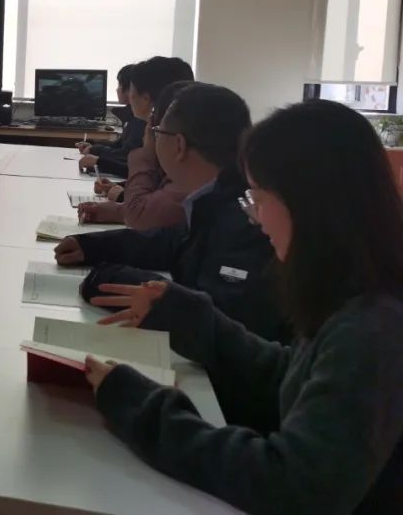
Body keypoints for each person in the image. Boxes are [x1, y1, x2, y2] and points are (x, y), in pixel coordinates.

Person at [82, 100, 403, 515]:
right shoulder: (353, 294)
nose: (256, 218)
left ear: (309, 206)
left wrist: (142, 405)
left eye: (260, 197)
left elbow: (292, 485)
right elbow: (290, 375)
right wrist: (189, 317)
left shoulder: (374, 326)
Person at [55, 83, 289, 345]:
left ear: (179, 145)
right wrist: (91, 246)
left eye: (157, 132)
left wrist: (109, 278)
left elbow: (216, 317)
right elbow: (172, 241)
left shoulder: (245, 214)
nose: (153, 139)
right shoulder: (216, 196)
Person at [78, 80, 192, 230]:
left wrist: (147, 153)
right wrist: (117, 210)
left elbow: (140, 213)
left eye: (157, 131)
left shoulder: (188, 190)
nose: (148, 135)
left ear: (179, 144)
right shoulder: (191, 180)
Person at [79, 56, 194, 178]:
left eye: (132, 90)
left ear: (146, 98)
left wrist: (100, 160)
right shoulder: (176, 131)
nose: (130, 96)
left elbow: (143, 173)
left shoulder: (165, 140)